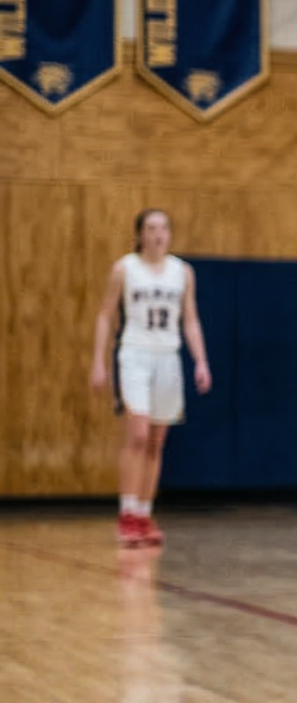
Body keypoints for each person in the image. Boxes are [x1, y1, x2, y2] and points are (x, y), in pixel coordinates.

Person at [89, 209, 212, 548]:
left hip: (168, 357)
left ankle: (143, 515)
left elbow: (190, 319)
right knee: (138, 436)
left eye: (164, 228)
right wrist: (99, 361)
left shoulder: (182, 272)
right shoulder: (125, 268)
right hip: (135, 355)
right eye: (152, 228)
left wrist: (201, 361)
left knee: (157, 441)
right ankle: (127, 515)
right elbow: (105, 315)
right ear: (140, 234)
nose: (159, 234)